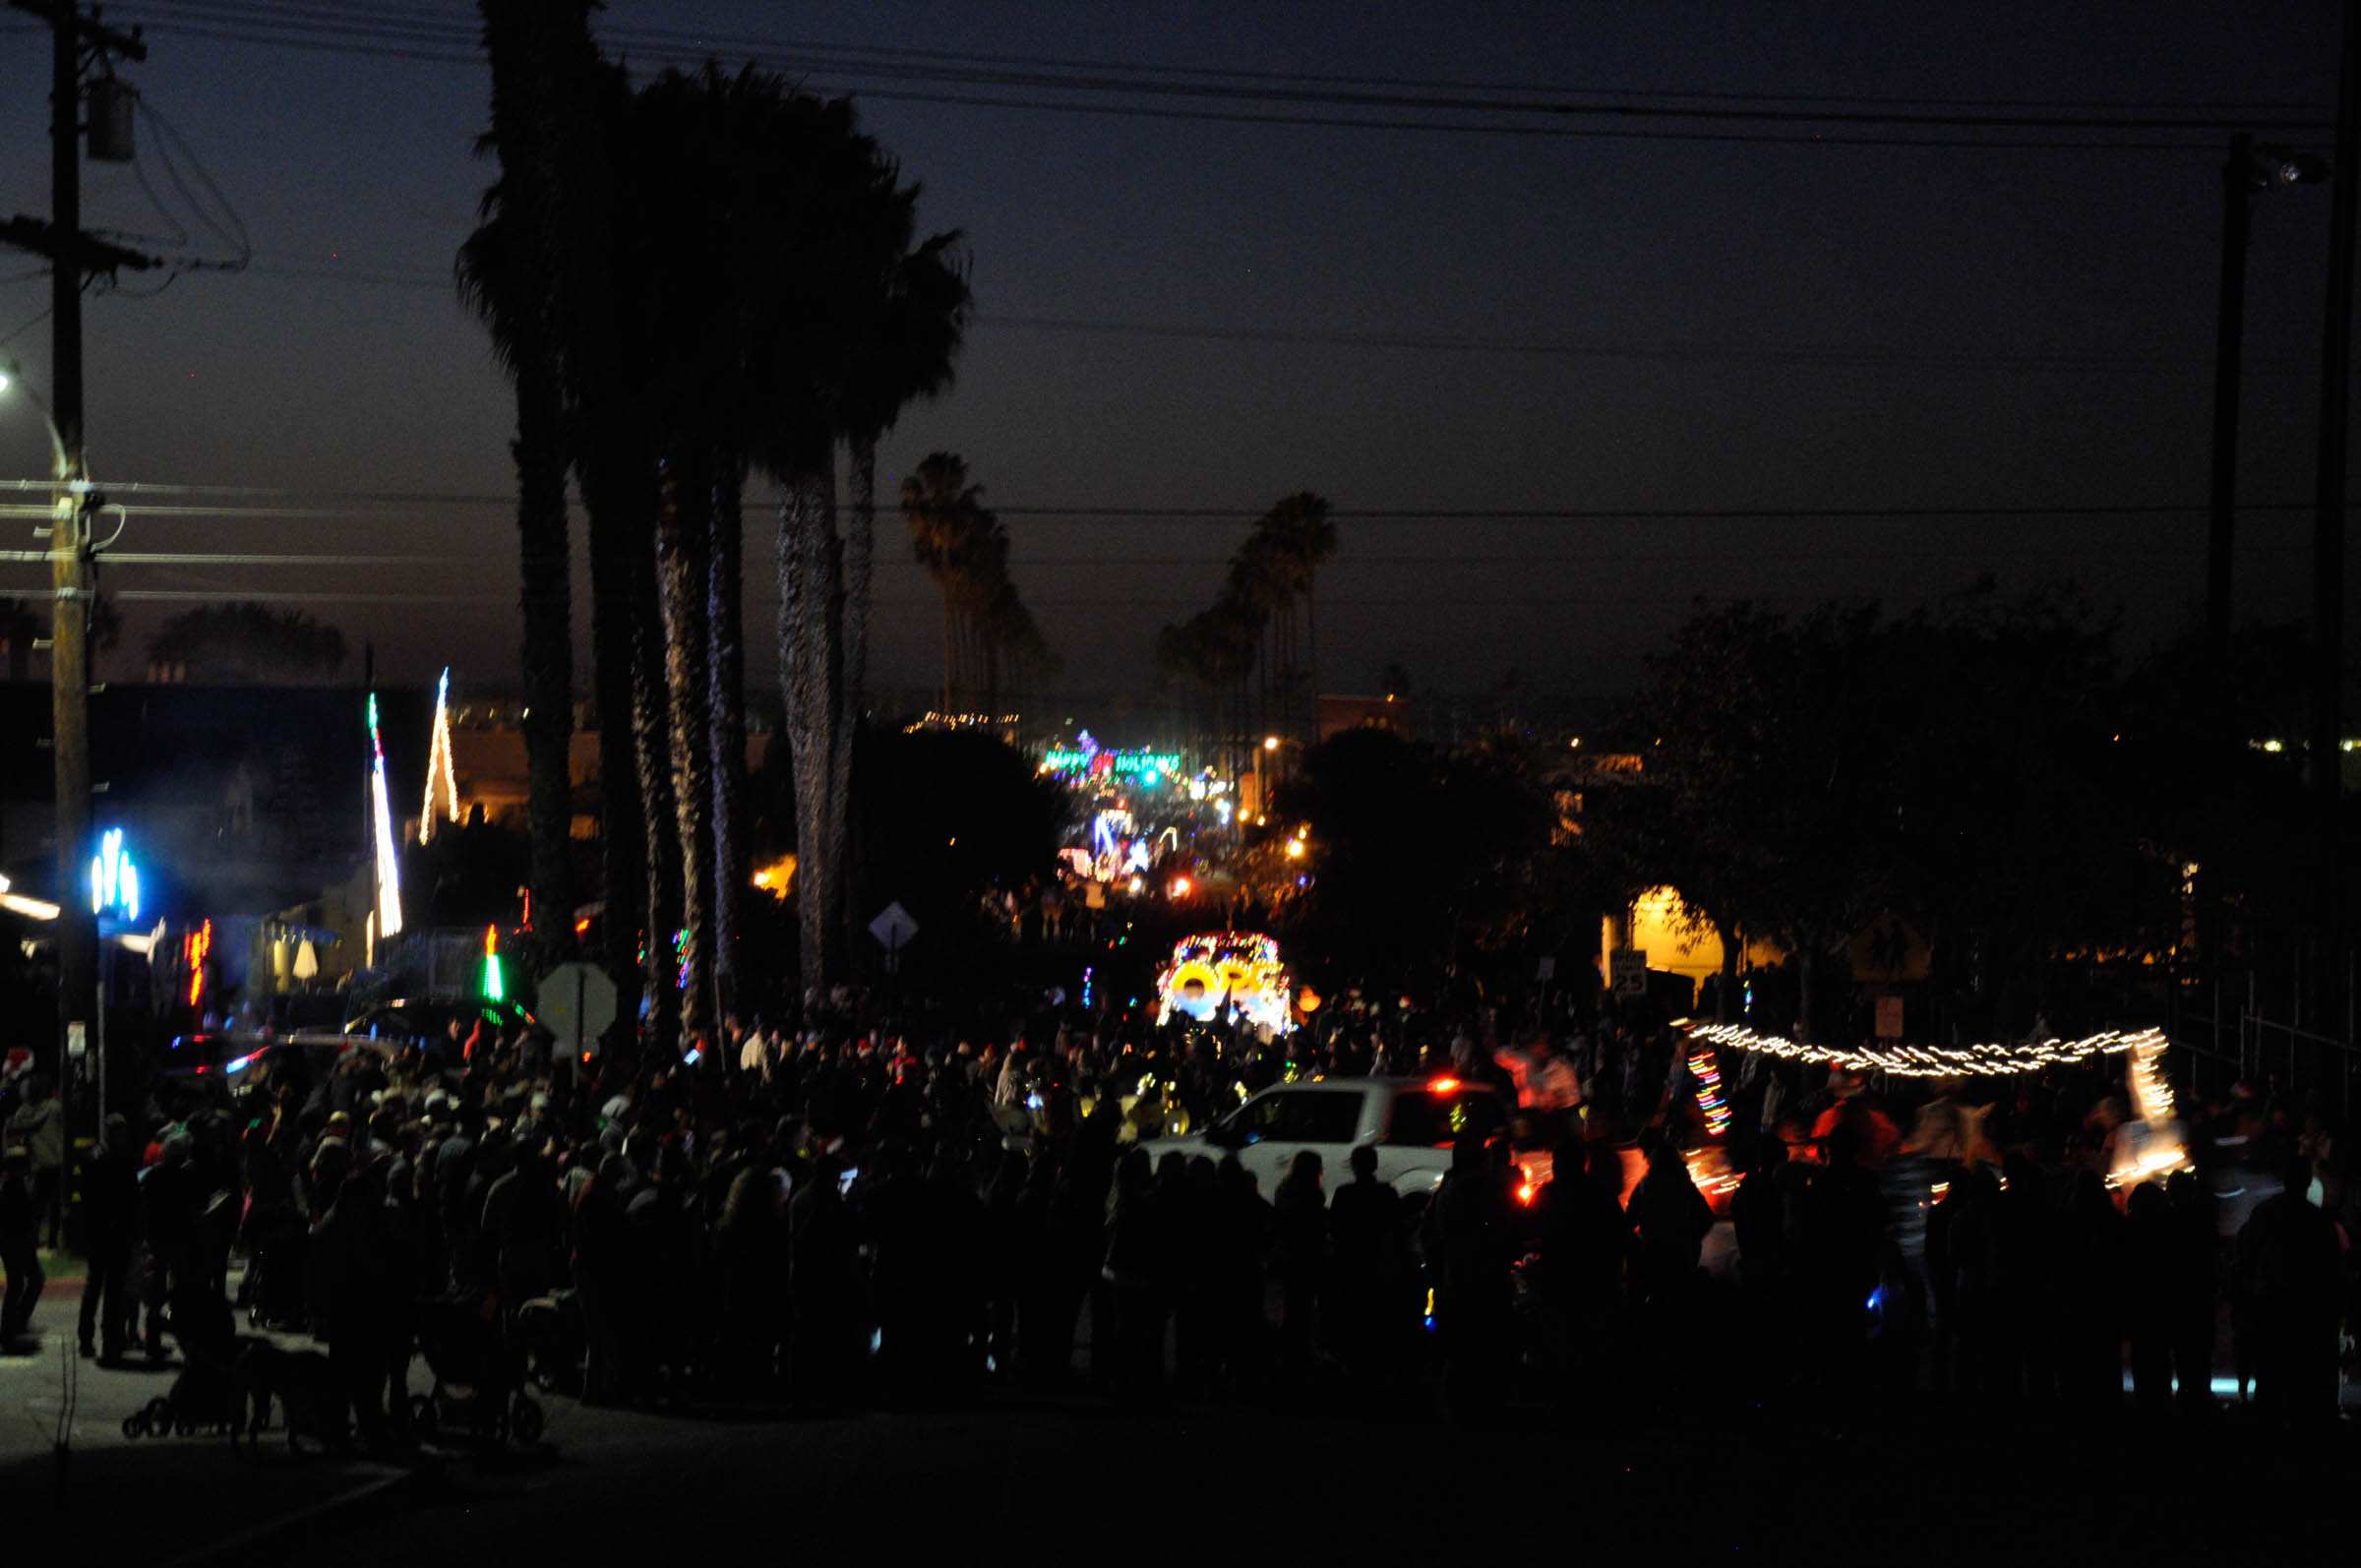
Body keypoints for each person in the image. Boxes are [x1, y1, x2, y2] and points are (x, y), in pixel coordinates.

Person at [2235, 1155, 2344, 1425]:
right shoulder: (2318, 1222)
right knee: (2302, 1386)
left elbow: (2246, 1257)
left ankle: (2269, 1443)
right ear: (2308, 1182)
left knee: (2270, 1382)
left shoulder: (2264, 1213)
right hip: (2306, 1313)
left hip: (2270, 1308)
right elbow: (2332, 1272)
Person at [1328, 1143, 1407, 1382]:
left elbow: (1336, 1229)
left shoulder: (1344, 1194)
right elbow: (1397, 1229)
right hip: (1378, 1261)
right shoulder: (1387, 1194)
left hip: (1352, 1263)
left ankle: (1353, 1364)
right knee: (1375, 1313)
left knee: (1354, 1313)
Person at [79, 1114, 140, 1361]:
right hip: (109, 1232)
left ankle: (99, 1339)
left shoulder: (97, 1157)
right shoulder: (110, 1159)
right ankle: (103, 1339)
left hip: (105, 1232)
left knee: (105, 1289)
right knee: (105, 1289)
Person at [1271, 1149, 1327, 1375]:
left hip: (1290, 1256)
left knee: (1293, 1304)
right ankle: (1300, 1353)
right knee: (1303, 1307)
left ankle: (1290, 1353)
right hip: (1307, 1256)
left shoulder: (1284, 1192)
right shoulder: (1313, 1197)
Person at [6, 1079, 64, 1251]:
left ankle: (36, 1239)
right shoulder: (54, 1107)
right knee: (51, 1205)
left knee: (38, 1205)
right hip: (53, 1163)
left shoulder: (24, 1112)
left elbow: (16, 1132)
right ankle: (50, 1241)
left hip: (41, 1165)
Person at [0, 1146, 41, 1349]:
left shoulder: (18, 1183)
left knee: (31, 1280)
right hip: (14, 1241)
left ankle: (16, 1322)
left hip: (19, 1241)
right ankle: (9, 1329)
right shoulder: (9, 1187)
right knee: (18, 1284)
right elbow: (16, 1217)